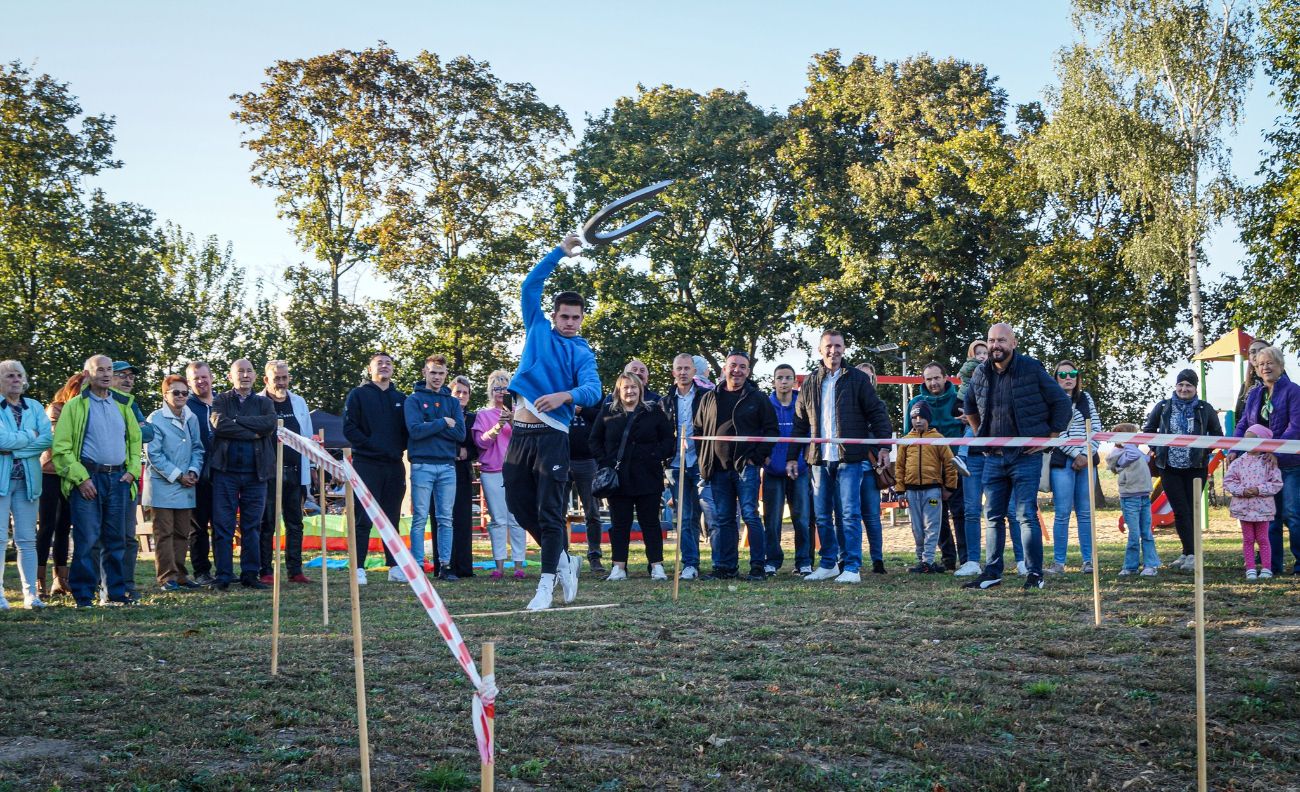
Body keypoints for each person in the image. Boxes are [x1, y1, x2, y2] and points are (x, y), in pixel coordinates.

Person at [503, 233, 602, 611]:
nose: (570, 323)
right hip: (521, 434)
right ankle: (563, 560)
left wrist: (566, 396)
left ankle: (545, 585)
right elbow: (531, 284)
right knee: (517, 503)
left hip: (553, 436)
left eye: (576, 318)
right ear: (554, 314)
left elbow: (593, 389)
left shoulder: (582, 351)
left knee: (549, 512)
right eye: (565, 316)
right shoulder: (537, 328)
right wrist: (560, 252)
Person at [961, 323, 1071, 591]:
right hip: (993, 457)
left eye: (1001, 340)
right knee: (994, 516)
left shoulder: (1031, 368)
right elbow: (969, 406)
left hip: (1025, 456)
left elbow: (1061, 403)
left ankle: (1035, 574)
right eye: (991, 340)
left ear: (1014, 342)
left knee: (1025, 515)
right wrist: (980, 435)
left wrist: (1049, 438)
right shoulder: (980, 373)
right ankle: (992, 573)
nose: (995, 345)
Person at [792, 331, 893, 583]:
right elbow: (799, 423)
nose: (833, 351)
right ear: (820, 350)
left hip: (850, 459)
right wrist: (792, 457)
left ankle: (852, 567)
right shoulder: (810, 382)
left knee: (849, 514)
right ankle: (828, 563)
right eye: (828, 346)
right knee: (823, 515)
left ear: (844, 349)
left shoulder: (858, 379)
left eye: (838, 346)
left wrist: (884, 447)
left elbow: (877, 412)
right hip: (819, 459)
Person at [51, 355, 142, 607]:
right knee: (87, 539)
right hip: (88, 480)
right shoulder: (75, 406)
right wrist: (81, 479)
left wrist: (132, 471)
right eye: (99, 369)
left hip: (119, 479)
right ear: (87, 374)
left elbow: (135, 442)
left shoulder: (124, 405)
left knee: (116, 540)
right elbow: (61, 449)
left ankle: (114, 594)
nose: (105, 374)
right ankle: (83, 595)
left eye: (109, 370)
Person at [694, 350, 776, 581]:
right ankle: (725, 567)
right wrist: (704, 460)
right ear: (724, 368)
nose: (737, 370)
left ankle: (758, 567)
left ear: (748, 371)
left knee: (750, 515)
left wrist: (756, 457)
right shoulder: (709, 397)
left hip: (745, 468)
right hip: (717, 470)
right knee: (724, 519)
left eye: (742, 366)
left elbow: (771, 430)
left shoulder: (757, 397)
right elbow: (698, 431)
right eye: (733, 365)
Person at [589, 372, 675, 580]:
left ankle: (656, 565)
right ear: (618, 390)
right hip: (619, 479)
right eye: (626, 387)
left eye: (634, 387)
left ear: (640, 389)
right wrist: (606, 462)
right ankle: (618, 567)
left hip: (648, 476)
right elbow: (594, 440)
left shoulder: (653, 411)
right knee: (619, 524)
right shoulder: (608, 412)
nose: (630, 391)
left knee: (651, 523)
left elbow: (668, 440)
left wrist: (655, 455)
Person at [1144, 368, 1224, 573]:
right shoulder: (1163, 407)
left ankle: (1193, 554)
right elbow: (1149, 431)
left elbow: (1216, 433)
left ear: (1195, 388)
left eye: (1188, 385)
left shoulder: (1204, 409)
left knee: (1193, 510)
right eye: (1181, 384)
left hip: (1195, 467)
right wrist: (1157, 449)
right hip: (1168, 467)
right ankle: (1187, 553)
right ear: (1176, 386)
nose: (1184, 388)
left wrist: (1204, 450)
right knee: (1180, 510)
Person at [208, 359, 277, 591]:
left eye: (249, 371)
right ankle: (224, 575)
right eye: (240, 371)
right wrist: (252, 432)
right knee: (223, 526)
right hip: (225, 474)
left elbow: (268, 425)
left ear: (256, 376)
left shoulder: (264, 403)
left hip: (256, 475)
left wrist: (238, 421)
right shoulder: (220, 400)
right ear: (230, 376)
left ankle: (250, 574)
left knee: (253, 526)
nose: (245, 375)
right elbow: (219, 424)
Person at [1231, 346, 1300, 575]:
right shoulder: (1254, 395)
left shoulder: (1293, 391)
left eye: (1270, 363)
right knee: (1269, 516)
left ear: (1280, 366)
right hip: (1260, 466)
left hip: (1290, 464)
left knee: (1292, 513)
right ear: (1257, 370)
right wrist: (1235, 446)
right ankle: (1273, 566)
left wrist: (1276, 450)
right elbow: (1244, 424)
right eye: (1261, 364)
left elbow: (1296, 426)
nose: (1265, 367)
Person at [342, 352, 409, 584]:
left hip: (394, 465)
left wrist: (395, 448)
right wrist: (372, 446)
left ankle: (394, 566)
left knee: (391, 518)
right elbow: (349, 429)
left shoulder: (401, 397)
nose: (384, 366)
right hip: (366, 463)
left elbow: (407, 431)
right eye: (379, 363)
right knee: (363, 518)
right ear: (370, 369)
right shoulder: (358, 395)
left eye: (388, 363)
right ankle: (359, 567)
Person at [405, 355, 464, 581]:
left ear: (446, 375)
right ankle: (418, 566)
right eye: (433, 373)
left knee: (445, 518)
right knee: (420, 517)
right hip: (422, 465)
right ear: (424, 373)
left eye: (441, 373)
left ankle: (445, 565)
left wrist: (430, 425)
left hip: (447, 466)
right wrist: (442, 423)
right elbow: (415, 431)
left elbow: (460, 433)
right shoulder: (414, 400)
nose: (437, 377)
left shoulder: (453, 402)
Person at [0, 360, 53, 608]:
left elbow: (45, 439)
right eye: (10, 375)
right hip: (2, 482)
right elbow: (0, 439)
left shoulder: (33, 406)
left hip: (28, 482)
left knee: (26, 540)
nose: (16, 380)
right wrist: (27, 437)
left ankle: (31, 594)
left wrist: (16, 450)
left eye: (19, 375)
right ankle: (0, 595)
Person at [904, 362, 966, 571]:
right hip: (927, 471)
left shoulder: (959, 400)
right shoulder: (916, 403)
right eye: (928, 379)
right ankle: (948, 559)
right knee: (935, 518)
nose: (933, 382)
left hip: (955, 465)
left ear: (945, 377)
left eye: (936, 378)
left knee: (960, 513)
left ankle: (966, 559)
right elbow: (907, 437)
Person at [145, 375, 204, 591]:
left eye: (184, 392)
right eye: (175, 392)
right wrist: (179, 475)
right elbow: (154, 453)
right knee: (164, 532)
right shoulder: (155, 419)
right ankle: (166, 577)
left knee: (182, 532)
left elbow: (198, 447)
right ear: (165, 395)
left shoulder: (192, 418)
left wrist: (193, 471)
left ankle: (180, 574)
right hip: (163, 484)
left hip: (187, 484)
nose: (180, 396)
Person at [258, 361, 315, 585]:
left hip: (295, 471)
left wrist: (311, 467)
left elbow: (308, 437)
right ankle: (265, 570)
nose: (281, 382)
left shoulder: (298, 402)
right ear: (266, 380)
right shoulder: (259, 402)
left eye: (284, 378)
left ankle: (295, 569)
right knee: (267, 523)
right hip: (269, 472)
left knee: (295, 522)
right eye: (276, 378)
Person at [1046, 360, 1101, 575]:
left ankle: (1089, 561)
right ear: (1056, 377)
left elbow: (1096, 428)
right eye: (1063, 374)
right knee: (1062, 513)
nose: (1068, 378)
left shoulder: (1086, 399)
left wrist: (1087, 454)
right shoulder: (1051, 400)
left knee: (1086, 513)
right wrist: (1075, 454)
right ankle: (1059, 562)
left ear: (1078, 378)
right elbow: (1056, 432)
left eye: (1073, 374)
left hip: (1088, 460)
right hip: (1063, 462)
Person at [105, 360, 154, 599]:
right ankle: (100, 585)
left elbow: (149, 433)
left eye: (131, 376)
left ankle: (126, 584)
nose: (128, 380)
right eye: (121, 375)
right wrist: (132, 429)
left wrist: (129, 428)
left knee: (128, 537)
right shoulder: (101, 402)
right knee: (101, 537)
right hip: (101, 475)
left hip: (128, 476)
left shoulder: (131, 404)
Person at [473, 369, 526, 579]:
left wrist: (513, 420)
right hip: (492, 471)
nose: (500, 392)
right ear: (490, 390)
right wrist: (499, 425)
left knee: (516, 518)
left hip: (516, 470)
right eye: (496, 388)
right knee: (497, 520)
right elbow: (480, 443)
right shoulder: (483, 415)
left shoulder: (521, 412)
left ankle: (519, 566)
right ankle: (499, 566)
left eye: (504, 388)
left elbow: (526, 439)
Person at [37, 371, 84, 600]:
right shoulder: (56, 408)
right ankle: (39, 581)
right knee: (46, 527)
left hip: (70, 474)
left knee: (64, 527)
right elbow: (57, 442)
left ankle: (60, 579)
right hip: (50, 472)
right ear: (73, 388)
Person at [897, 402, 957, 573]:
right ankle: (920, 560)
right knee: (916, 527)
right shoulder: (906, 441)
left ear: (928, 419)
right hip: (911, 491)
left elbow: (950, 464)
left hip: (933, 491)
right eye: (914, 418)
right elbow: (900, 467)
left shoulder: (938, 439)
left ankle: (928, 561)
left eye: (922, 417)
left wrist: (949, 488)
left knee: (932, 526)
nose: (918, 421)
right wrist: (900, 491)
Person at [762, 364, 811, 575]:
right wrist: (765, 459)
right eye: (780, 378)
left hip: (799, 470)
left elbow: (811, 434)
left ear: (794, 381)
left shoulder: (803, 404)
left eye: (788, 377)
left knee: (802, 517)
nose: (784, 381)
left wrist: (805, 460)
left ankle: (804, 562)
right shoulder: (766, 404)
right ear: (773, 381)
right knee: (772, 519)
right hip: (773, 471)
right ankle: (772, 561)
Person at [663, 353, 707, 579]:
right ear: (673, 372)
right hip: (675, 464)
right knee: (685, 516)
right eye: (678, 368)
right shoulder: (665, 400)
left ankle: (722, 564)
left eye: (686, 368)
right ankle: (690, 563)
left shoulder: (706, 396)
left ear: (693, 371)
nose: (682, 372)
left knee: (712, 513)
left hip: (700, 461)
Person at [1223, 424, 1283, 581]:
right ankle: (1250, 568)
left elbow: (1276, 483)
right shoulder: (1238, 463)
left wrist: (1259, 490)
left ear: (1262, 442)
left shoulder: (1269, 463)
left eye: (1252, 440)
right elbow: (1229, 481)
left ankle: (1266, 568)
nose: (1247, 444)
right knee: (1248, 539)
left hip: (1263, 509)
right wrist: (1242, 490)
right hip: (1244, 509)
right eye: (1246, 440)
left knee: (1263, 539)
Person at [1107, 423, 1159, 577]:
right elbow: (1133, 457)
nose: (1137, 440)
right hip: (1130, 497)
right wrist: (1126, 442)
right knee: (1134, 534)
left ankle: (1151, 564)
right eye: (1134, 436)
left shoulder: (1133, 450)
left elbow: (1144, 459)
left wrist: (1149, 453)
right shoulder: (1117, 453)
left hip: (1143, 496)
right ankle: (1130, 566)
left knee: (1147, 532)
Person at [184, 361, 217, 586]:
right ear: (189, 382)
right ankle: (201, 571)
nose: (200, 381)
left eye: (204, 377)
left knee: (222, 524)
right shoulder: (185, 406)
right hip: (196, 474)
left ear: (211, 378)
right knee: (198, 526)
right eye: (195, 378)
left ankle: (224, 568)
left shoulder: (223, 403)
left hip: (223, 473)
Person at [568, 400, 606, 574]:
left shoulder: (594, 393)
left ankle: (594, 555)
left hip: (589, 460)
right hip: (562, 457)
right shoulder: (560, 388)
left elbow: (603, 417)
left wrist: (581, 410)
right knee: (557, 512)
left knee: (592, 512)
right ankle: (562, 557)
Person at [449, 376, 478, 579]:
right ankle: (446, 565)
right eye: (457, 392)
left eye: (465, 392)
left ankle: (465, 567)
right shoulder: (442, 414)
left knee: (463, 519)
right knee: (444, 518)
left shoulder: (474, 419)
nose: (461, 395)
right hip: (443, 469)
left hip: (464, 472)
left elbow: (478, 445)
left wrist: (468, 452)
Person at [1234, 338, 1272, 421]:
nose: (1257, 354)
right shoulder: (1246, 385)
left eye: (1262, 350)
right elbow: (1239, 416)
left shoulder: (1281, 383)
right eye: (1253, 352)